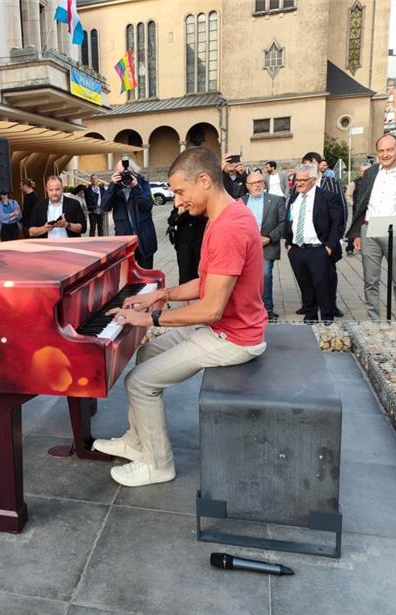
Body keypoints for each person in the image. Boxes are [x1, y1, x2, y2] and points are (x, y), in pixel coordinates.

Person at [92, 147, 268, 487]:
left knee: (139, 382)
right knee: (147, 353)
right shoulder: (227, 214)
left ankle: (158, 464)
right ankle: (137, 441)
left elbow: (210, 308)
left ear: (204, 181)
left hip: (233, 337)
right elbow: (207, 281)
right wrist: (161, 295)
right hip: (224, 327)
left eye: (179, 191)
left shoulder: (228, 227)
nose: (177, 201)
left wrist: (150, 319)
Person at [346, 134, 396, 322]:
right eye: (381, 150)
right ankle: (373, 321)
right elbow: (361, 204)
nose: (385, 154)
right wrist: (357, 233)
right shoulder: (370, 172)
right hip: (369, 229)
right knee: (370, 280)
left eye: (390, 149)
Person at [285, 164, 344, 323]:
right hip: (297, 250)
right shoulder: (294, 197)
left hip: (319, 250)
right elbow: (289, 219)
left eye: (303, 180)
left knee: (323, 286)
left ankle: (326, 319)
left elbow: (337, 224)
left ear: (313, 179)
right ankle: (310, 317)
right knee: (305, 286)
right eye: (297, 180)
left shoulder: (328, 197)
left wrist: (329, 247)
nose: (299, 183)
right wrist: (289, 244)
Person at [300, 152, 347, 317]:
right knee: (308, 276)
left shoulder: (331, 182)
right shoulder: (300, 185)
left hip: (327, 241)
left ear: (317, 163)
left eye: (309, 164)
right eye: (304, 164)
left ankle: (331, 306)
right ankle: (309, 305)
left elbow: (342, 209)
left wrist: (335, 240)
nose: (307, 167)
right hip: (307, 241)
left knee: (329, 276)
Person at [242, 171, 287, 320]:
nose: (257, 185)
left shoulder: (276, 200)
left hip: (266, 245)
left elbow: (283, 223)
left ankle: (267, 309)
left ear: (264, 183)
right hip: (245, 247)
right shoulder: (240, 202)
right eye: (253, 183)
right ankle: (248, 309)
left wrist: (269, 238)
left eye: (259, 182)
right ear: (247, 186)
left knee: (265, 276)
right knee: (245, 278)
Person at [101, 158, 158, 268]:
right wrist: (112, 185)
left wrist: (136, 187)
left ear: (133, 171)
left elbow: (148, 205)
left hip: (144, 239)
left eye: (125, 172)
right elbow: (105, 207)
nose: (123, 176)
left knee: (146, 273)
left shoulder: (142, 183)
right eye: (120, 173)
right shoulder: (115, 188)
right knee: (127, 276)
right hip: (125, 240)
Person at [167, 207, 206, 285]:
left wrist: (195, 211)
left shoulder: (202, 204)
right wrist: (179, 213)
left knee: (199, 273)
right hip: (184, 245)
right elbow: (171, 221)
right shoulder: (181, 204)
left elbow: (207, 219)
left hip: (200, 243)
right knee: (184, 273)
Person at [344, 162, 372, 255]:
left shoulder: (374, 182)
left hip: (371, 211)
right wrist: (353, 204)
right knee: (355, 228)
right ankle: (350, 248)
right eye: (362, 171)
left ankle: (366, 247)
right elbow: (348, 195)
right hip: (358, 211)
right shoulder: (354, 183)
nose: (363, 173)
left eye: (366, 171)